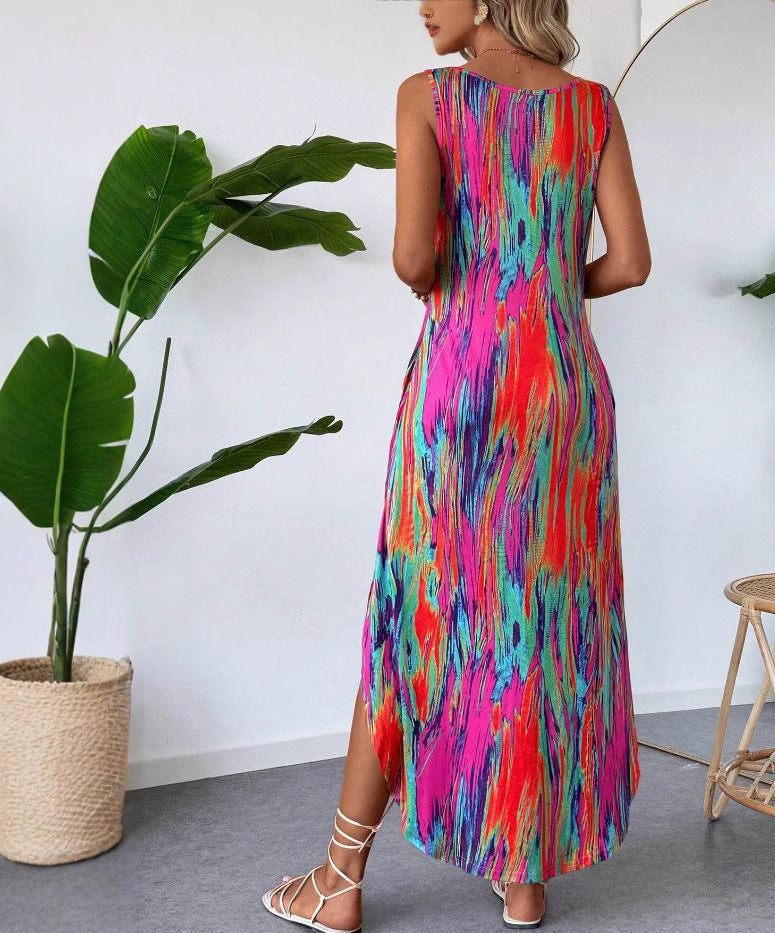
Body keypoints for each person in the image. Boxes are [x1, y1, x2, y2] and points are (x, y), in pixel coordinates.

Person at [262, 0, 650, 929]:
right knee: (539, 620)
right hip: (563, 393)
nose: (421, 6)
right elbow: (631, 263)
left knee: (414, 613)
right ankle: (523, 875)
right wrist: (544, 285)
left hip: (465, 384)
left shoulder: (429, 97)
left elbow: (410, 258)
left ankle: (340, 879)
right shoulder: (592, 107)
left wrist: (468, 283)